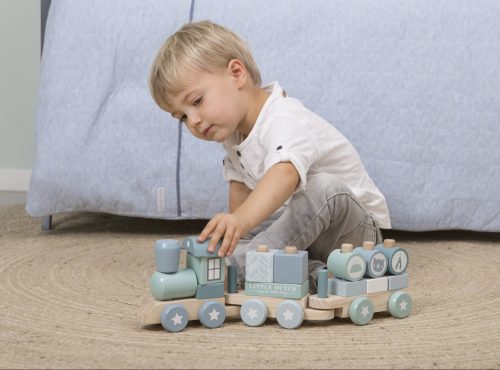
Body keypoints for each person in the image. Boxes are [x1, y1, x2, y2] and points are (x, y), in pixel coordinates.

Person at [149, 20, 391, 292]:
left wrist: (242, 222)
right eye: (182, 117)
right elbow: (241, 196)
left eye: (196, 102)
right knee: (252, 225)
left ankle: (246, 267)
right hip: (307, 234)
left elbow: (285, 175)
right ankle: (314, 275)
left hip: (354, 232)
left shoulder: (282, 117)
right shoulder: (233, 138)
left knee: (323, 187)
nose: (193, 121)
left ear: (237, 74)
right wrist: (233, 233)